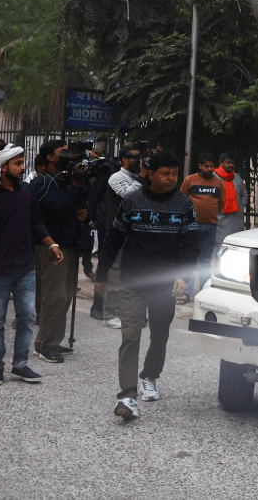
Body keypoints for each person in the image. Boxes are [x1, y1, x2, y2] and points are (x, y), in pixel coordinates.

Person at [96, 151, 199, 420]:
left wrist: (183, 277)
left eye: (175, 174)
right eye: (165, 173)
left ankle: (150, 375)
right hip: (133, 281)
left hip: (165, 284)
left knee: (159, 334)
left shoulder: (183, 204)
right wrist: (102, 274)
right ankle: (127, 396)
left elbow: (191, 244)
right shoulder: (132, 201)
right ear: (150, 173)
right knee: (130, 336)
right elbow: (114, 238)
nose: (171, 179)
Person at [0, 144, 63, 385]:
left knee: (27, 317)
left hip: (25, 268)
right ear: (3, 167)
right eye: (17, 164)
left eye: (23, 163)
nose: (23, 168)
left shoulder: (27, 191)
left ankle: (20, 365)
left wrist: (51, 243)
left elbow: (36, 223)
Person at [30, 139, 85, 363]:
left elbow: (76, 205)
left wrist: (84, 211)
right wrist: (75, 186)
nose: (68, 156)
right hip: (51, 246)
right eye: (63, 153)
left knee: (66, 296)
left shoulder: (64, 180)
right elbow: (58, 209)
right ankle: (47, 347)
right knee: (55, 297)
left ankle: (46, 341)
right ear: (50, 158)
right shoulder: (42, 182)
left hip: (70, 244)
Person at [94, 145, 145, 329]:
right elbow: (127, 196)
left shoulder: (139, 177)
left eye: (139, 158)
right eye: (134, 158)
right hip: (118, 231)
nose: (138, 162)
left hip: (136, 232)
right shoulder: (116, 177)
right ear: (124, 160)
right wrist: (142, 178)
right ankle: (110, 313)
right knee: (115, 272)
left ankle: (128, 312)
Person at [179, 153, 224, 301]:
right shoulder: (190, 180)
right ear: (200, 166)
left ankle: (204, 293)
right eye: (206, 166)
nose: (209, 168)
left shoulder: (218, 183)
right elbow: (182, 200)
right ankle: (186, 292)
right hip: (192, 226)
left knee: (206, 261)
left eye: (212, 166)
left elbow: (221, 204)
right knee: (191, 259)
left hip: (210, 226)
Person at [214, 153, 248, 245]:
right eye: (228, 162)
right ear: (221, 163)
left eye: (233, 163)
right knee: (219, 247)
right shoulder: (213, 177)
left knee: (235, 245)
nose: (231, 165)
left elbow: (244, 195)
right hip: (219, 220)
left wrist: (240, 209)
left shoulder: (237, 177)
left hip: (235, 219)